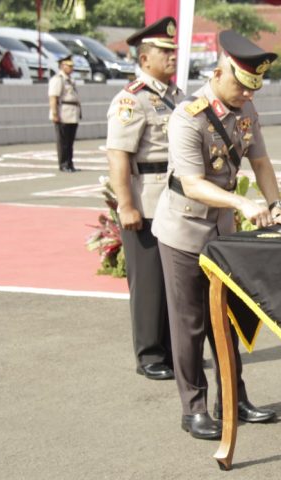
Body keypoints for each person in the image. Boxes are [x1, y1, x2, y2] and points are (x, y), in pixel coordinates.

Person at [151, 30, 281, 440]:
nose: (246, 95)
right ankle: (194, 408)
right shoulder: (189, 116)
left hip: (221, 232)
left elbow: (261, 161)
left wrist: (275, 206)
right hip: (184, 231)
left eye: (253, 88)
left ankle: (233, 398)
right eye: (241, 86)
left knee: (227, 319)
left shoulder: (246, 108)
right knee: (190, 323)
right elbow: (192, 183)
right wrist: (242, 204)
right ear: (218, 74)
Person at [106, 17, 182, 381]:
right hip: (147, 200)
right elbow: (118, 155)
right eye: (164, 51)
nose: (172, 56)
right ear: (144, 58)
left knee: (173, 281)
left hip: (176, 199)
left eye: (173, 50)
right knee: (149, 283)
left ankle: (171, 350)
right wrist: (126, 205)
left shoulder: (177, 95)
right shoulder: (131, 99)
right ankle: (150, 354)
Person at [48, 54, 80, 172]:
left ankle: (70, 163)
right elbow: (53, 98)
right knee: (63, 142)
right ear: (62, 66)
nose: (71, 68)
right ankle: (63, 164)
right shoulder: (58, 79)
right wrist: (55, 114)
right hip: (63, 113)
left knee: (70, 142)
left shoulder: (70, 80)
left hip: (72, 113)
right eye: (69, 66)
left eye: (72, 66)